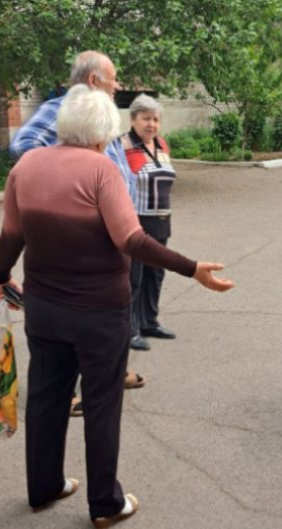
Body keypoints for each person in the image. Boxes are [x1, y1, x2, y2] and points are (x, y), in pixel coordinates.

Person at [0, 85, 234, 529]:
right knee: (102, 403)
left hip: (43, 307)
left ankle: (43, 487)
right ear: (104, 131)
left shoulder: (26, 166)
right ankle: (105, 503)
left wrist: (0, 276)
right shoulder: (101, 170)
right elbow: (132, 239)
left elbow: (11, 234)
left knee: (46, 397)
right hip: (99, 312)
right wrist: (191, 267)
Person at [10, 50, 144, 414]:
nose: (118, 86)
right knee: (76, 312)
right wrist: (71, 182)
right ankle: (66, 390)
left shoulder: (98, 115)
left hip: (115, 238)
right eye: (113, 79)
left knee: (113, 309)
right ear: (94, 80)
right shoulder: (61, 110)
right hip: (83, 239)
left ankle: (108, 372)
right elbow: (24, 146)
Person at [121, 95, 177, 351]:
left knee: (155, 274)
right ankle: (130, 330)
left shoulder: (162, 145)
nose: (151, 124)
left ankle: (149, 322)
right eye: (146, 118)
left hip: (161, 219)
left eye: (155, 119)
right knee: (134, 277)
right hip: (136, 221)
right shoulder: (122, 145)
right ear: (133, 119)